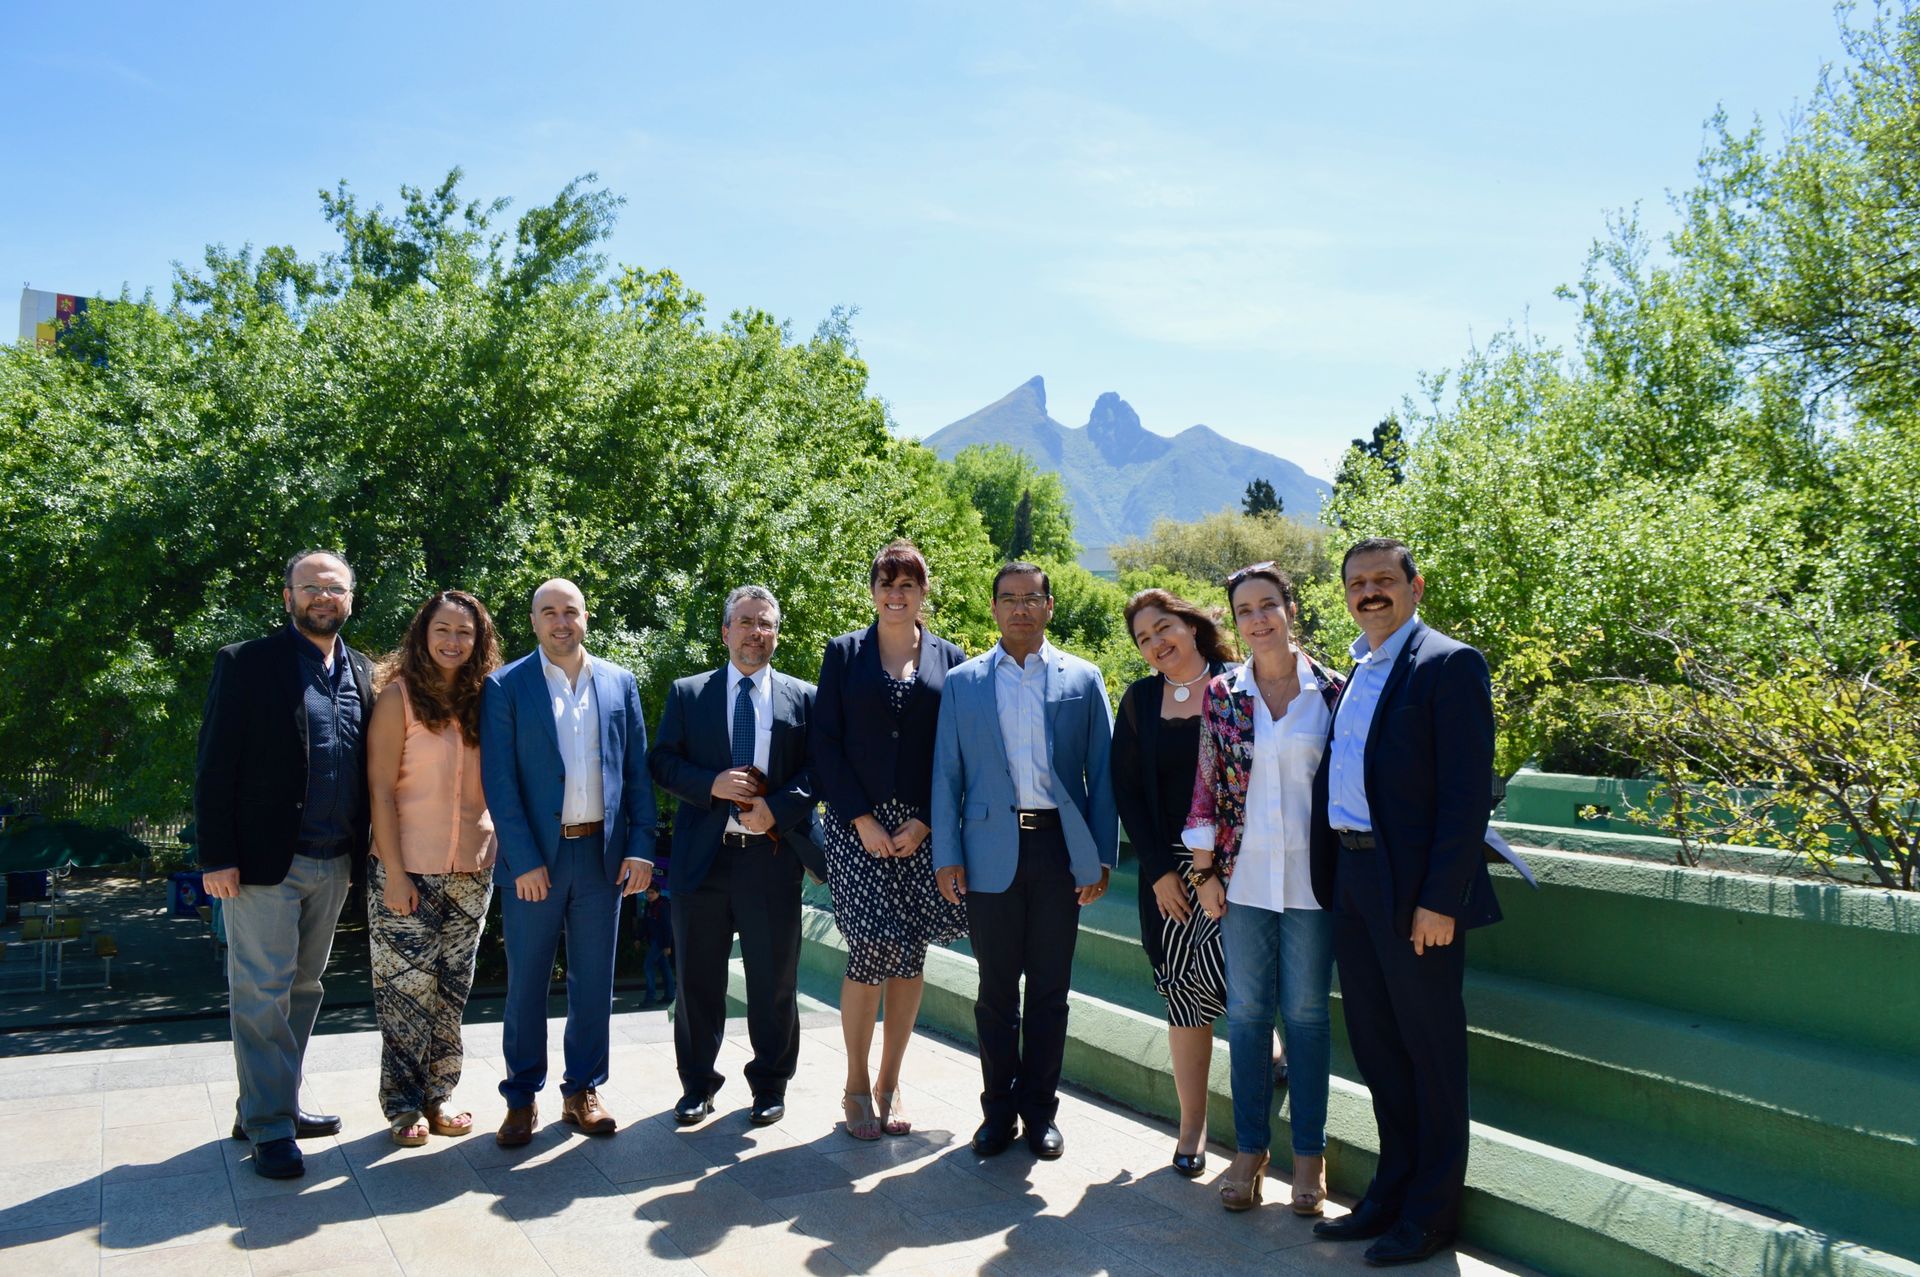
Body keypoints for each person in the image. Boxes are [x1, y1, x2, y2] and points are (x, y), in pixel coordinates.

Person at [1309, 537, 1501, 1266]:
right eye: (1357, 582)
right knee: (1380, 1049)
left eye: (1384, 579)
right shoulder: (1358, 667)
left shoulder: (1449, 664)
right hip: (1355, 883)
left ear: (1415, 586)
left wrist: (1440, 898)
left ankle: (1431, 1215)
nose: (1370, 592)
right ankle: (1390, 1193)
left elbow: (1464, 796)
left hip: (1414, 892)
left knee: (1430, 1052)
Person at [194, 549, 372, 1180]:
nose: (324, 597)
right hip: (265, 862)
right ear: (288, 595)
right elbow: (215, 765)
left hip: (336, 858)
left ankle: (271, 1105)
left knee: (302, 989)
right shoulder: (246, 664)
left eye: (336, 588)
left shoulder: (365, 673)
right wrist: (215, 856)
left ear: (352, 597)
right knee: (260, 992)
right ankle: (270, 1129)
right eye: (311, 587)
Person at [932, 562, 1117, 1160]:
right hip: (988, 853)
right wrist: (948, 854)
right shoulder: (963, 683)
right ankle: (997, 1113)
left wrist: (1099, 857)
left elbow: (1103, 775)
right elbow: (947, 775)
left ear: (1049, 606)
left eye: (1030, 599)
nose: (1019, 609)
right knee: (994, 990)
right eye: (1008, 599)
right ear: (993, 609)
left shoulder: (1084, 679)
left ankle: (1040, 1112)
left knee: (1050, 990)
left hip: (1059, 850)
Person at [1184, 564, 1345, 1216]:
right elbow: (1205, 786)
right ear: (1235, 620)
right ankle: (1250, 1148)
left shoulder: (1335, 691)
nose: (1258, 618)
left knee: (1306, 1018)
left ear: (1290, 607)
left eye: (1267, 605)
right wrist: (1204, 874)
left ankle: (1310, 1153)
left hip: (1316, 884)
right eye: (1244, 609)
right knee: (1248, 1016)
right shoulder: (1222, 694)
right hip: (1242, 880)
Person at [480, 579, 656, 1146]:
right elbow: (500, 784)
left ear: (586, 617)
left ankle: (582, 1089)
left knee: (593, 984)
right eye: (548, 612)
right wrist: (524, 860)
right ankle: (521, 1098)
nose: (561, 622)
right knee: (526, 984)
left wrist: (642, 846)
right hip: (537, 861)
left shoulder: (619, 683)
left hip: (601, 858)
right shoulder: (505, 686)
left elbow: (636, 773)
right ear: (533, 621)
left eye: (570, 611)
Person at [812, 541, 970, 1140]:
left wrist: (927, 820)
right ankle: (855, 1085)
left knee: (910, 956)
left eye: (908, 584)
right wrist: (862, 820)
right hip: (859, 829)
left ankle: (890, 1082)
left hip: (924, 829)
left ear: (924, 592)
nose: (896, 593)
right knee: (872, 947)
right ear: (873, 590)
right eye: (886, 582)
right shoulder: (844, 653)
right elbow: (825, 743)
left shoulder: (951, 658)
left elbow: (955, 750)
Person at [649, 584, 821, 1128]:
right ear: (726, 632)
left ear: (776, 633)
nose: (755, 633)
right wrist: (713, 784)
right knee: (698, 981)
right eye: (745, 622)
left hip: (771, 857)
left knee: (774, 982)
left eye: (765, 623)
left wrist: (778, 808)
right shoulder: (688, 693)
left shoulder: (804, 697)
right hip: (704, 859)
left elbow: (820, 773)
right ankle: (697, 1086)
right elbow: (662, 764)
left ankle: (770, 1086)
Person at [364, 590, 502, 1146]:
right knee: (404, 992)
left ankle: (440, 1096)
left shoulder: (487, 700)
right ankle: (402, 1107)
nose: (452, 641)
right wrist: (394, 873)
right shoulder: (397, 698)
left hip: (472, 871)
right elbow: (378, 789)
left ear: (479, 641)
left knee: (451, 990)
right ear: (424, 634)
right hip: (405, 870)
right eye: (442, 630)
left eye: (464, 633)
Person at [1111, 589, 1235, 1177]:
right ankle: (1193, 1126)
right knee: (1185, 994)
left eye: (1164, 628)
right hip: (1171, 875)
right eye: (1143, 638)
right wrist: (1160, 871)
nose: (1157, 643)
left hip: (1243, 869)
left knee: (1249, 981)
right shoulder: (1138, 701)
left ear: (1191, 624)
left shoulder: (1242, 682)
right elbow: (1127, 791)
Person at [639, 885, 675, 1006]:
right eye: (647, 893)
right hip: (655, 941)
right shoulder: (650, 905)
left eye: (652, 893)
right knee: (665, 967)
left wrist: (667, 945)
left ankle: (651, 997)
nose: (649, 895)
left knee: (648, 965)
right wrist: (638, 938)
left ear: (658, 893)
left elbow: (667, 927)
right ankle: (670, 995)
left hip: (660, 942)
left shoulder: (663, 906)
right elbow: (645, 923)